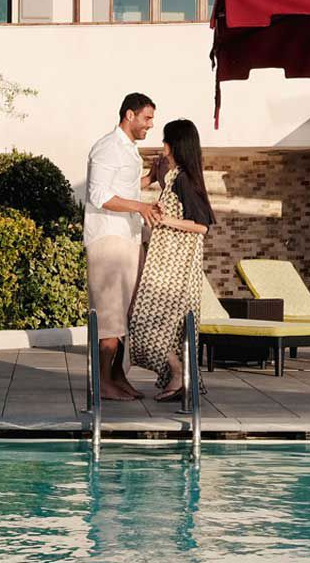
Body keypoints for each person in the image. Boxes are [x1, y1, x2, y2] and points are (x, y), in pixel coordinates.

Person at [128, 119, 216, 401]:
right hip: (167, 262)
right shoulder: (175, 177)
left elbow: (202, 225)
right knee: (166, 328)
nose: (162, 146)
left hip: (175, 269)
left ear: (176, 145)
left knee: (146, 323)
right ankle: (179, 377)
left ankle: (178, 373)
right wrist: (157, 174)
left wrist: (165, 220)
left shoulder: (183, 180)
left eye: (166, 141)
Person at [84, 92, 163, 401]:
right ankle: (102, 382)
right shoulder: (107, 148)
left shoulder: (129, 150)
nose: (151, 125)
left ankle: (117, 377)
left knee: (127, 314)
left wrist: (151, 178)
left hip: (128, 238)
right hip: (108, 239)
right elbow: (99, 195)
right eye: (147, 118)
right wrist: (141, 208)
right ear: (129, 115)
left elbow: (125, 187)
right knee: (110, 316)